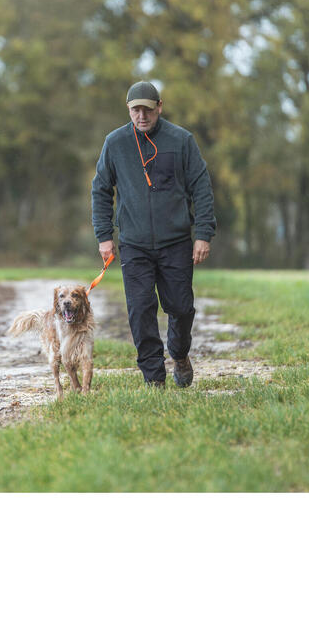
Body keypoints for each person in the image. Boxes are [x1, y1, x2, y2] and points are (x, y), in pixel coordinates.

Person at [91, 81, 216, 388]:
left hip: (176, 242)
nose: (142, 116)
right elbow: (101, 189)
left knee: (181, 307)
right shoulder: (115, 142)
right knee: (140, 310)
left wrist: (203, 233)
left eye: (148, 108)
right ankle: (154, 378)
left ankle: (180, 354)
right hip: (134, 244)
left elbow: (201, 187)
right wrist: (104, 236)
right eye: (136, 110)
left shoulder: (181, 140)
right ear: (129, 110)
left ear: (159, 106)